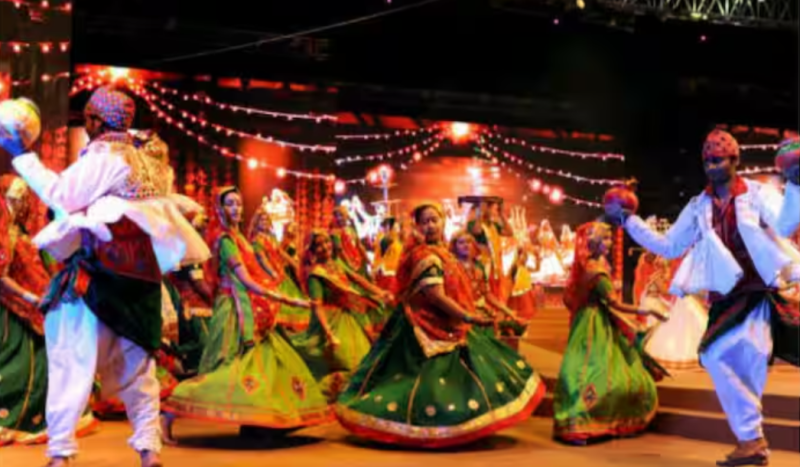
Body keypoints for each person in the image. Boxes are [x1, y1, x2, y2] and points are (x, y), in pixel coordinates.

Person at [3, 88, 210, 467]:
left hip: (98, 277)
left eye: (87, 117)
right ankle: (149, 450)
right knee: (140, 367)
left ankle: (60, 452)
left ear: (96, 120)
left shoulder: (106, 155)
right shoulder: (150, 162)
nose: (86, 124)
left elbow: (61, 195)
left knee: (72, 359)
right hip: (140, 280)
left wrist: (22, 155)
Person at [609, 131, 800, 466]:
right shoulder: (699, 206)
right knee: (713, 355)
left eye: (719, 160)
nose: (712, 166)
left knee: (752, 360)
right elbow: (670, 246)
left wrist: (795, 182)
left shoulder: (756, 194)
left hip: (758, 290)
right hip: (725, 297)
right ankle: (752, 440)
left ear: (734, 160)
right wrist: (630, 221)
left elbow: (785, 225)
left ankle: (751, 442)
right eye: (708, 161)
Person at [335, 202, 545, 448]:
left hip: (449, 321)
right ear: (418, 226)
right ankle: (426, 427)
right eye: (425, 221)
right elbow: (435, 296)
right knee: (423, 380)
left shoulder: (443, 252)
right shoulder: (425, 256)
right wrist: (468, 317)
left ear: (443, 221)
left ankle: (451, 425)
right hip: (424, 324)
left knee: (456, 376)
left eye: (434, 220)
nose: (431, 225)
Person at [161, 186, 331, 442]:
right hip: (234, 311)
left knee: (267, 363)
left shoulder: (239, 238)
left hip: (251, 306)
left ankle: (267, 419)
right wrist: (285, 299)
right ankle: (171, 413)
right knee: (226, 370)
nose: (236, 208)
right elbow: (246, 280)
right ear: (220, 209)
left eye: (239, 203)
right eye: (230, 204)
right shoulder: (226, 242)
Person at [0, 176, 98, 446]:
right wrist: (29, 297)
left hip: (35, 306)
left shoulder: (22, 232)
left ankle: (45, 418)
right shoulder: (4, 235)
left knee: (45, 365)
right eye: (13, 198)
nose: (20, 203)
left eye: (23, 198)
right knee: (19, 367)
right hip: (11, 310)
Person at [554, 222, 668, 445]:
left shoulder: (587, 267)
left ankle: (576, 420)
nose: (609, 243)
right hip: (596, 325)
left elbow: (569, 299)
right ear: (594, 242)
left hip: (585, 322)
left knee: (581, 369)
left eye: (609, 239)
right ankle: (587, 419)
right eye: (605, 239)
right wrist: (645, 311)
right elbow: (615, 304)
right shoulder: (596, 272)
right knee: (599, 371)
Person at [291, 230, 391, 400]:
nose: (325, 247)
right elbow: (318, 307)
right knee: (343, 360)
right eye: (319, 245)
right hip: (331, 322)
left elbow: (357, 279)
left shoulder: (336, 262)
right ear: (312, 251)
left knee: (363, 354)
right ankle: (332, 391)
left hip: (349, 316)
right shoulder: (316, 275)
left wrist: (379, 292)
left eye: (326, 242)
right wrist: (329, 333)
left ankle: (356, 390)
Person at [248, 206, 310, 333]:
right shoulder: (256, 240)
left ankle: (289, 332)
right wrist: (273, 273)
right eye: (262, 220)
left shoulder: (272, 237)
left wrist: (294, 264)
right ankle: (279, 332)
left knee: (294, 300)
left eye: (267, 220)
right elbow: (262, 260)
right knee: (279, 303)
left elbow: (281, 252)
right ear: (256, 223)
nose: (265, 222)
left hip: (280, 272)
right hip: (268, 276)